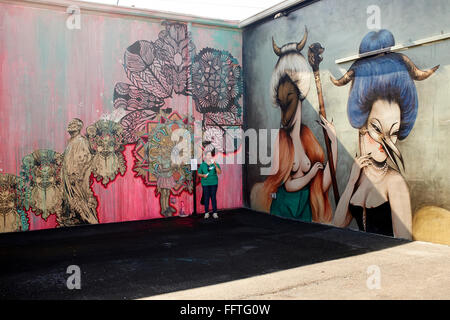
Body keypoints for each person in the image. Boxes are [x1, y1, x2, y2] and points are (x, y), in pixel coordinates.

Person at [331, 29, 439, 239]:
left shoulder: (394, 182)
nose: (386, 142)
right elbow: (337, 225)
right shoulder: (359, 174)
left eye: (394, 132)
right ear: (362, 125)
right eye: (377, 129)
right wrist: (352, 181)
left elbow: (403, 244)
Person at [250, 28, 337, 224]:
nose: (285, 111)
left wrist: (334, 145)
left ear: (299, 96)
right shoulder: (281, 139)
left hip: (305, 210)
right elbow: (288, 185)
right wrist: (312, 172)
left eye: (289, 98)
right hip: (285, 209)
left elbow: (323, 185)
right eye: (282, 102)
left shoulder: (307, 137)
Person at [198, 149, 221, 219]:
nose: (209, 156)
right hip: (205, 183)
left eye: (210, 155)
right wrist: (203, 176)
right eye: (208, 155)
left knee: (213, 197)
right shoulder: (202, 165)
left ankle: (215, 212)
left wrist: (215, 165)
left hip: (214, 183)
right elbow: (199, 174)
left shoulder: (215, 164)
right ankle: (206, 213)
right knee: (206, 198)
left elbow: (219, 172)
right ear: (205, 156)